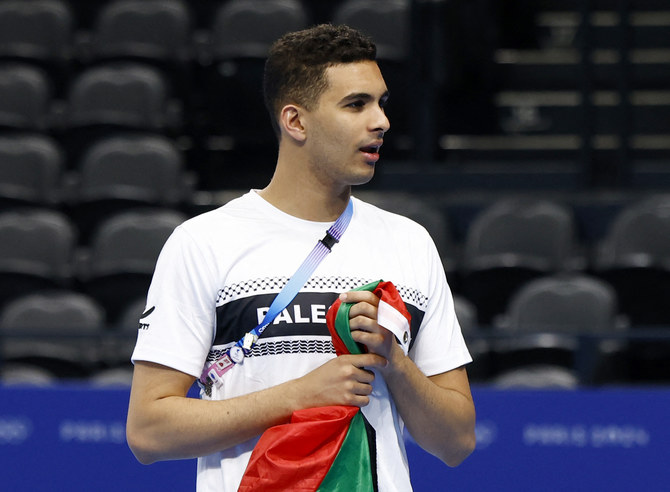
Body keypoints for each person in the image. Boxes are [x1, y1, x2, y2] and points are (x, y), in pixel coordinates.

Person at [126, 23, 476, 491]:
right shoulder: (204, 241)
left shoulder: (410, 242)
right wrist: (300, 395)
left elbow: (457, 442)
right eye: (356, 104)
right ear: (295, 121)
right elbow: (148, 431)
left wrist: (393, 358)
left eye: (381, 103)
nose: (381, 121)